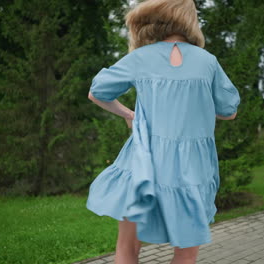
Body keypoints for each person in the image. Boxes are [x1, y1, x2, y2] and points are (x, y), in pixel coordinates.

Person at [86, 0, 241, 263]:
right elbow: (229, 110)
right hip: (193, 171)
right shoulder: (208, 62)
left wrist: (128, 114)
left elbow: (96, 93)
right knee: (186, 255)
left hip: (143, 165)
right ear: (190, 20)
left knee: (127, 248)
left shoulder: (140, 57)